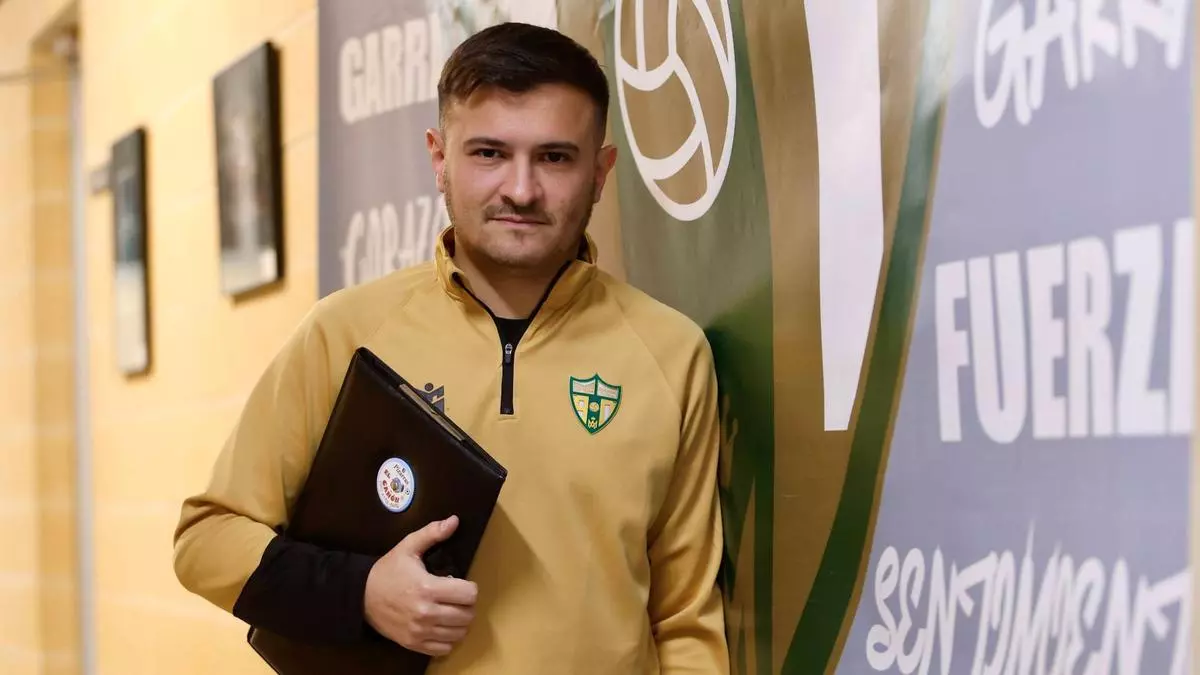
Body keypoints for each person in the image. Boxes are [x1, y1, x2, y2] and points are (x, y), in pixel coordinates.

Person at [172, 21, 730, 674]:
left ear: (601, 171)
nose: (521, 189)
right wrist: (363, 594)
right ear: (439, 157)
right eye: (489, 153)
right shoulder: (346, 332)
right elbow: (205, 541)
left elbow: (687, 619)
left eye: (555, 157)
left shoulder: (671, 353)